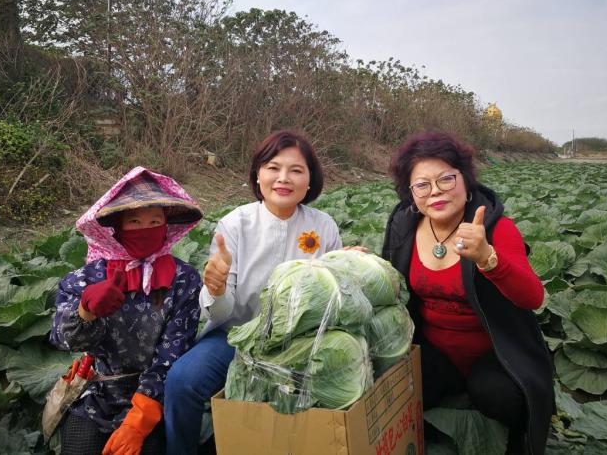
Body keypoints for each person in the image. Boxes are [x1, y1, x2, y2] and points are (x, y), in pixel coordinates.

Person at [163, 130, 342, 454]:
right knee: (182, 381)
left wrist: (350, 267)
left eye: (296, 170)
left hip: (302, 342)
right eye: (273, 167)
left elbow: (334, 298)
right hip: (236, 336)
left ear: (310, 180)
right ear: (258, 174)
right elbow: (221, 313)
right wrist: (215, 290)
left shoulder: (324, 226)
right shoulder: (235, 225)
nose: (283, 178)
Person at [381, 132, 553, 455]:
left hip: (496, 353)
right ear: (410, 192)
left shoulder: (496, 228)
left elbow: (533, 297)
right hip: (434, 351)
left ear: (465, 178)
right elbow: (391, 285)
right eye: (422, 184)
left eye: (446, 179)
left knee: (497, 394)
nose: (435, 192)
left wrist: (489, 258)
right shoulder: (403, 227)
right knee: (393, 387)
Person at [50, 166, 203, 455]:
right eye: (134, 221)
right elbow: (62, 340)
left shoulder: (184, 279)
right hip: (96, 393)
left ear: (166, 226)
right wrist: (85, 311)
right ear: (116, 227)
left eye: (154, 221)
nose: (146, 229)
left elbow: (173, 353)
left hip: (154, 397)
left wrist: (138, 421)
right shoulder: (85, 278)